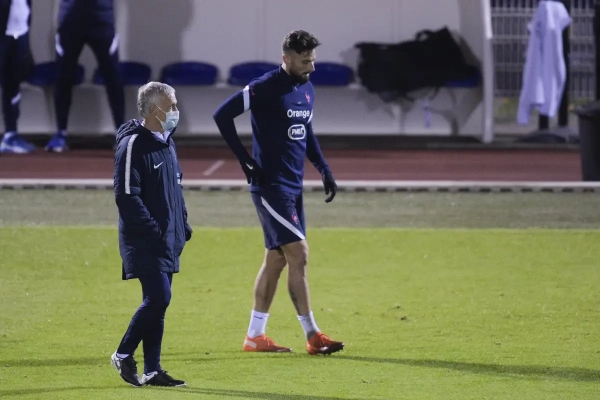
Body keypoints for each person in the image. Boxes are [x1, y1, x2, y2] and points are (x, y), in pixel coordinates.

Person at [212, 30, 344, 355]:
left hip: (293, 187)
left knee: (277, 259)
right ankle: (313, 335)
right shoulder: (264, 87)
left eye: (312, 60)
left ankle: (254, 336)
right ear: (286, 58)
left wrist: (324, 168)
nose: (311, 67)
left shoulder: (307, 88)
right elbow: (222, 115)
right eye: (304, 61)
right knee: (299, 253)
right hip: (270, 186)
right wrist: (244, 159)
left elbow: (305, 131)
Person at [111, 81, 192, 387]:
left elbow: (175, 189)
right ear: (154, 109)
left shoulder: (167, 141)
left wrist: (182, 224)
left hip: (167, 237)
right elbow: (126, 195)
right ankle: (122, 355)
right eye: (171, 106)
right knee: (159, 297)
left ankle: (152, 370)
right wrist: (153, 229)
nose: (176, 111)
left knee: (158, 303)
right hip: (144, 238)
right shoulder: (133, 145)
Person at [46, 0, 124, 152]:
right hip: (70, 21)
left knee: (113, 77)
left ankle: (121, 133)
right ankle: (60, 133)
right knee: (63, 77)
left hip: (102, 21)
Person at [0, 0, 35, 154]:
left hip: (19, 36)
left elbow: (27, 11)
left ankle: (11, 135)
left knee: (12, 87)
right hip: (2, 38)